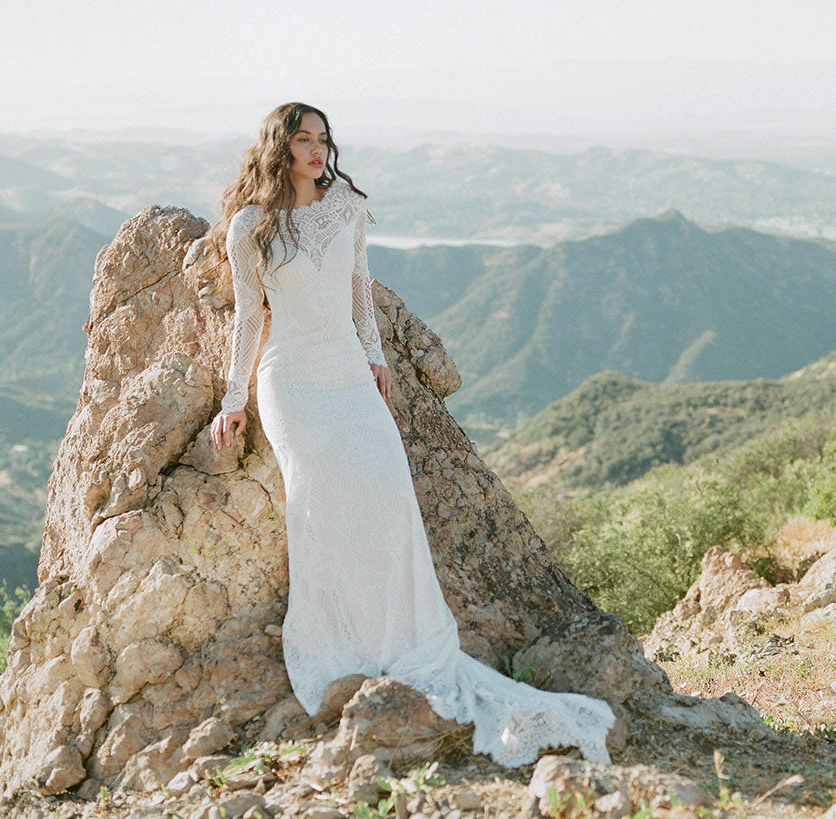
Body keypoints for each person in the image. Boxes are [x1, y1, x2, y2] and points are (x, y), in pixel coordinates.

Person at [206, 102, 615, 767]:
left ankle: (401, 638)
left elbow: (359, 287)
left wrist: (376, 354)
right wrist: (233, 400)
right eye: (303, 139)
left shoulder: (345, 205)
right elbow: (250, 320)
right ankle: (339, 643)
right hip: (292, 385)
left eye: (322, 139)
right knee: (319, 502)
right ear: (277, 149)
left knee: (389, 493)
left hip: (345, 368)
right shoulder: (252, 225)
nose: (317, 150)